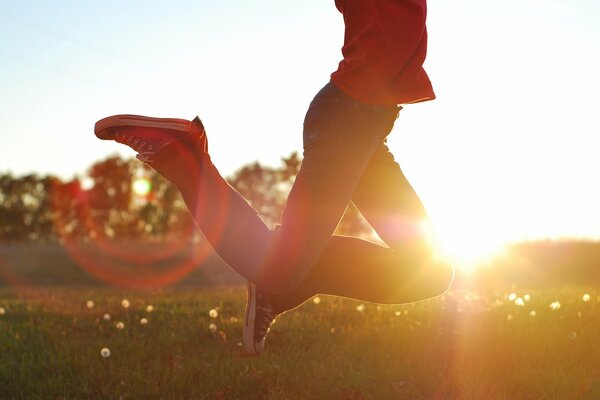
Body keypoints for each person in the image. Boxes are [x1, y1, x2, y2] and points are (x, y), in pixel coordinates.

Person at [94, 0, 454, 355]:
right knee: (278, 268)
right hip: (348, 120)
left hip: (367, 125)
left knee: (429, 270)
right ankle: (183, 158)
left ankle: (281, 286)